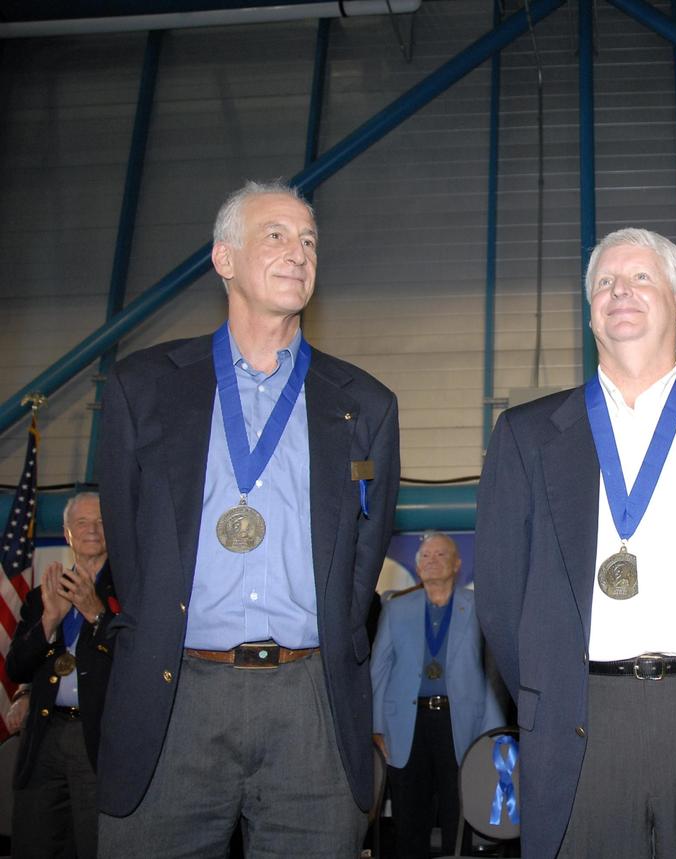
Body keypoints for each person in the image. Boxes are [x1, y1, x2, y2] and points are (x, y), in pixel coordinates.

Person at [474, 227, 676, 859]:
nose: (619, 290)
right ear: (591, 309)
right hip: (580, 722)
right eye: (604, 282)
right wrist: (552, 688)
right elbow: (500, 602)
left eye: (640, 277)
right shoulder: (525, 435)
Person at [97, 180, 400, 856]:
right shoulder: (142, 388)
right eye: (277, 235)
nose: (299, 252)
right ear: (224, 258)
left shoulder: (366, 405)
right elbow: (129, 542)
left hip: (310, 704)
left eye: (310, 240)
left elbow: (359, 562)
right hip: (176, 695)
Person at [372, 531, 504, 857]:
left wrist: (492, 732)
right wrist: (376, 727)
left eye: (440, 555)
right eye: (425, 557)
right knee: (408, 816)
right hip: (406, 723)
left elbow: (492, 674)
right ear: (417, 568)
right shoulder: (395, 608)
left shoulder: (480, 609)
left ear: (457, 564)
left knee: (458, 811)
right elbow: (379, 670)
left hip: (461, 724)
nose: (431, 561)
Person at [6, 491, 116, 858]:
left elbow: (140, 662)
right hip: (44, 735)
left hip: (98, 738)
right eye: (82, 523)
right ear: (67, 533)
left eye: (100, 521)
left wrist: (98, 615)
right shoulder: (43, 596)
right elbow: (16, 667)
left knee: (95, 845)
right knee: (37, 842)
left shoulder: (131, 591)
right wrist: (49, 621)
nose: (92, 530)